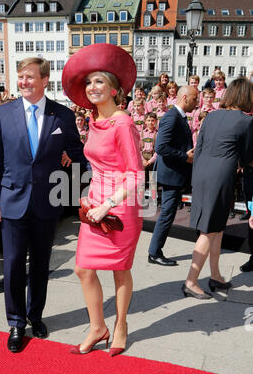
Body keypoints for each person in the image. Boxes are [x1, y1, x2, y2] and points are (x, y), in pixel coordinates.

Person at [0, 57, 86, 353]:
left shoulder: (63, 116)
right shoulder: (3, 114)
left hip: (47, 203)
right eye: (21, 77)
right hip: (11, 201)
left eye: (30, 77)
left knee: (41, 265)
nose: (24, 82)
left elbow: (79, 155)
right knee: (14, 264)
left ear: (45, 80)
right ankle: (16, 323)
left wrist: (79, 188)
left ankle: (35, 316)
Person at [62, 43, 143, 357]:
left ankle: (120, 324)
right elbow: (99, 164)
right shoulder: (94, 122)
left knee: (119, 270)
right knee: (83, 269)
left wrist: (107, 203)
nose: (92, 87)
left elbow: (136, 175)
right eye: (89, 82)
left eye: (99, 81)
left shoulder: (123, 124)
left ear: (114, 90)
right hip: (94, 201)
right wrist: (90, 194)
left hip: (119, 206)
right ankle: (98, 326)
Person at [184, 78, 253, 299]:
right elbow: (248, 155)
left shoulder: (211, 116)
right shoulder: (246, 121)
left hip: (202, 173)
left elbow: (199, 147)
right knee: (210, 229)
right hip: (221, 175)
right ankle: (191, 281)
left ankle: (215, 276)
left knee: (217, 227)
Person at [148, 85, 197, 266]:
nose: (197, 102)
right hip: (171, 175)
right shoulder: (172, 117)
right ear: (184, 97)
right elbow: (160, 147)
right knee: (167, 213)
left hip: (174, 174)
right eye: (194, 99)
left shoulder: (178, 116)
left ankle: (155, 250)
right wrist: (185, 157)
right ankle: (154, 253)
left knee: (168, 213)